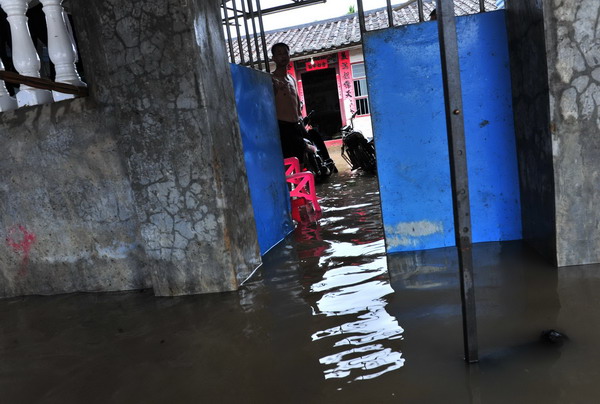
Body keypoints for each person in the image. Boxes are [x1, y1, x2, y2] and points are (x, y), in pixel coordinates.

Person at [271, 42, 308, 164]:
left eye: (285, 53)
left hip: (297, 124)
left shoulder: (291, 78)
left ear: (289, 55)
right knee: (290, 161)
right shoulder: (272, 80)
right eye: (279, 54)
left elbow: (296, 101)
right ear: (274, 58)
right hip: (283, 127)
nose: (283, 56)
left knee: (305, 155)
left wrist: (301, 120)